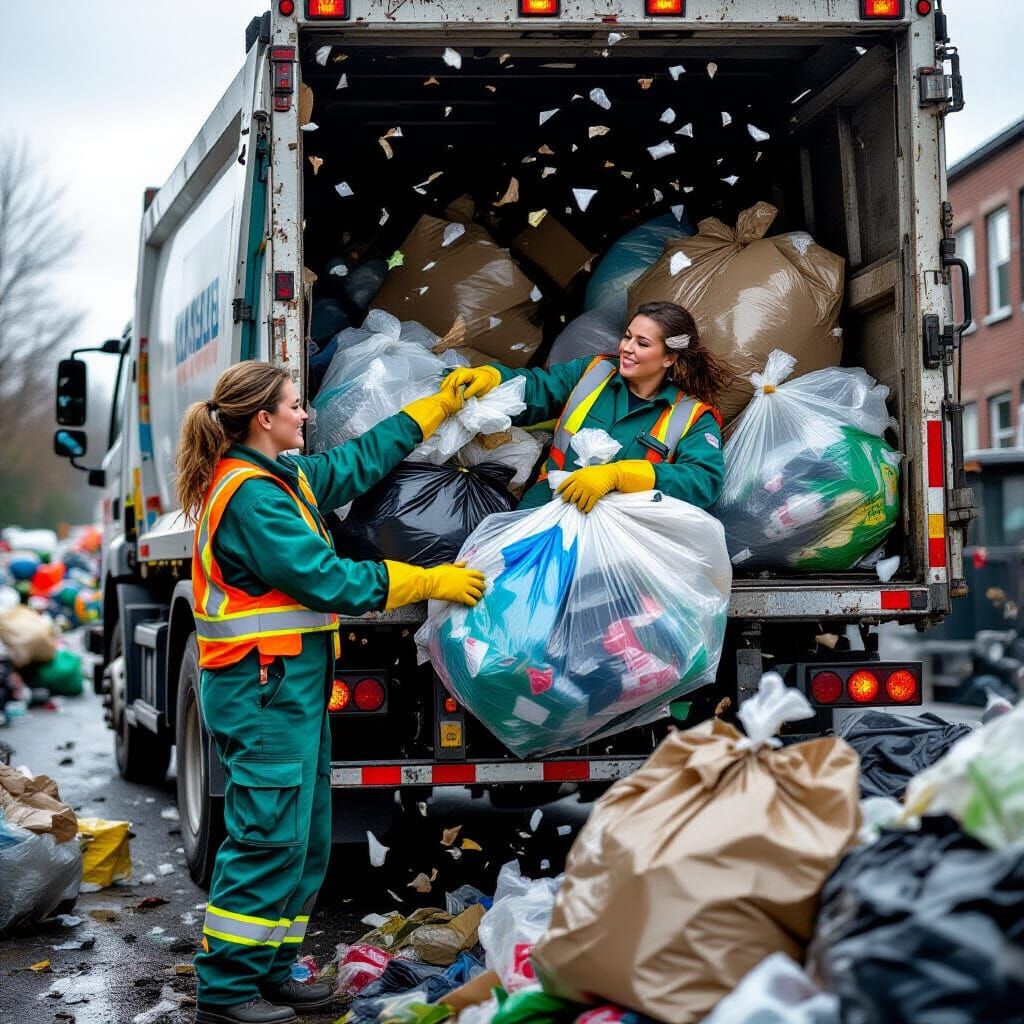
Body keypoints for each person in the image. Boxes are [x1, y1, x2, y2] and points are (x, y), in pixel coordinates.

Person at [176, 362, 485, 1024]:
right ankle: (227, 991)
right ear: (264, 419)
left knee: (305, 836)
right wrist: (425, 581)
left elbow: (356, 461)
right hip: (262, 691)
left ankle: (274, 968)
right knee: (266, 839)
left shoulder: (284, 478)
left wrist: (431, 410)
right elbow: (325, 580)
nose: (306, 414)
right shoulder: (252, 497)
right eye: (295, 405)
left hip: (286, 688)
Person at [444, 301, 729, 512]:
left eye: (642, 343)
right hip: (545, 507)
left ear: (669, 358)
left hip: (619, 532)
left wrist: (618, 475)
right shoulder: (593, 372)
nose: (627, 348)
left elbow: (704, 480)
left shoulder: (692, 416)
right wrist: (493, 378)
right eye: (627, 336)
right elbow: (538, 388)